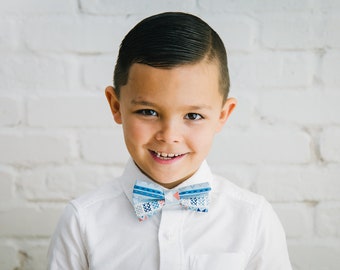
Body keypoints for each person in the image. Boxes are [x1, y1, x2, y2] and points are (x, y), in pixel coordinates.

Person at [47, 12, 292, 270]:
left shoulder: (254, 219)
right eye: (148, 112)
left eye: (193, 115)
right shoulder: (82, 221)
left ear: (222, 115)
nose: (169, 135)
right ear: (116, 105)